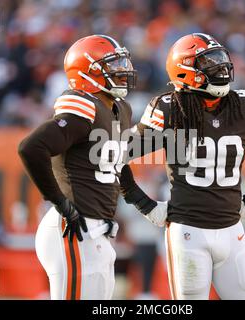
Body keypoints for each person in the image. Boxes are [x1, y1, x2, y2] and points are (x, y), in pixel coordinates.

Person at [130, 33, 245, 299]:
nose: (222, 68)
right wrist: (144, 205)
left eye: (221, 60)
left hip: (232, 230)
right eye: (209, 63)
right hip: (189, 233)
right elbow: (112, 154)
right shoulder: (171, 109)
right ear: (185, 72)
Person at [18, 35, 166, 300]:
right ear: (88, 73)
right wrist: (60, 202)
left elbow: (116, 161)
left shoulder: (119, 108)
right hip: (73, 229)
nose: (123, 72)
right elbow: (31, 147)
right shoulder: (83, 105)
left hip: (98, 231)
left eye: (121, 64)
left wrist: (145, 204)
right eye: (112, 66)